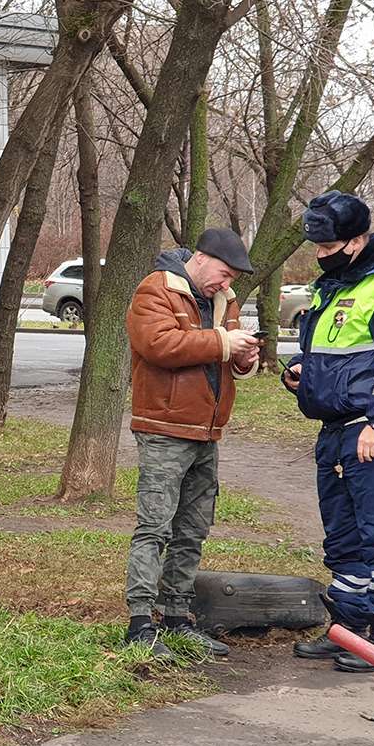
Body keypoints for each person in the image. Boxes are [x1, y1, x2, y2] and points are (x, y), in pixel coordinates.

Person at [282, 191, 374, 673]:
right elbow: (333, 354)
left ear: (359, 239)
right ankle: (350, 632)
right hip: (334, 432)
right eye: (318, 247)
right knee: (342, 539)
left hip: (372, 433)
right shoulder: (335, 285)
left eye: (330, 246)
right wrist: (301, 372)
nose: (322, 255)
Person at [124, 227, 262, 659]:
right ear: (201, 258)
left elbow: (224, 360)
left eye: (232, 279)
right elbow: (159, 345)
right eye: (223, 273)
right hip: (164, 428)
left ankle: (178, 618)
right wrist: (224, 342)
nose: (226, 284)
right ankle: (140, 624)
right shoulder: (156, 290)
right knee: (154, 526)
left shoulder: (225, 300)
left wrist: (243, 360)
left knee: (193, 530)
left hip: (207, 431)